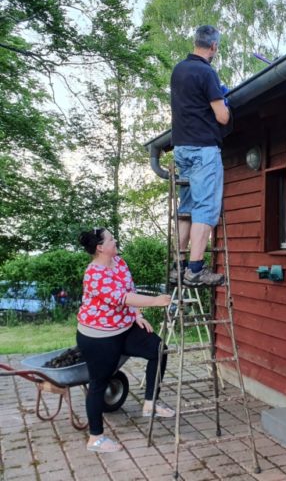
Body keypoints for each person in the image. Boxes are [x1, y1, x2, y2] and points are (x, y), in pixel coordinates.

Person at [77, 228, 173, 454]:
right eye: (111, 239)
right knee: (98, 383)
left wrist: (138, 316)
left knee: (159, 349)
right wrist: (156, 301)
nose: (115, 240)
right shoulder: (94, 274)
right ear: (100, 247)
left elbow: (130, 290)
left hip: (124, 327)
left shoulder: (119, 263)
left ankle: (150, 403)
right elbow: (122, 298)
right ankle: (95, 439)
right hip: (98, 336)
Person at [170, 25, 231, 287]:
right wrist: (223, 98)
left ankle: (179, 266)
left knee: (186, 209)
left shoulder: (179, 70)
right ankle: (195, 270)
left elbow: (193, 104)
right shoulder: (207, 72)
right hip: (203, 148)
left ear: (195, 42)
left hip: (181, 147)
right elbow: (222, 117)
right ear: (213, 47)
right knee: (205, 210)